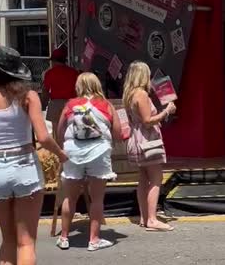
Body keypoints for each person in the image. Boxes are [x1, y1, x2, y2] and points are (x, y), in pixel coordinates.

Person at [0, 45, 68, 264]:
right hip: (25, 164)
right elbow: (43, 137)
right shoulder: (28, 96)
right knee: (26, 242)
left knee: (8, 240)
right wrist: (61, 154)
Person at [56, 72, 121, 251]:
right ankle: (94, 240)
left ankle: (63, 237)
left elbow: (60, 132)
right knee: (97, 199)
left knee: (70, 197)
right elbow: (118, 134)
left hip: (73, 152)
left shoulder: (70, 104)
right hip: (99, 151)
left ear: (78, 86)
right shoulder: (106, 105)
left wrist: (65, 148)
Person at [122, 61, 176, 231]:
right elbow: (147, 121)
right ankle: (152, 219)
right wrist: (166, 111)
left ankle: (144, 217)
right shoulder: (141, 95)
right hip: (147, 140)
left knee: (144, 179)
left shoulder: (129, 95)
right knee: (156, 178)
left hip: (136, 139)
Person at [42, 47, 79, 137]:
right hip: (71, 104)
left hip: (55, 103)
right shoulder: (74, 72)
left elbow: (45, 91)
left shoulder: (49, 73)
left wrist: (43, 104)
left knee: (57, 131)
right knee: (72, 129)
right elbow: (78, 89)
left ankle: (59, 149)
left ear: (54, 61)